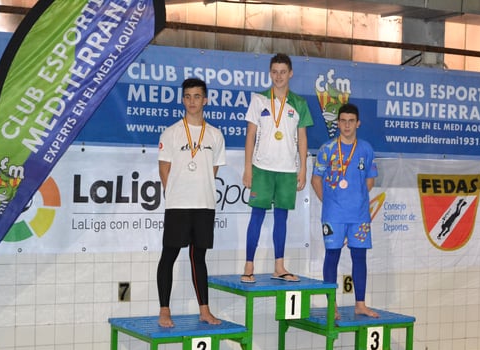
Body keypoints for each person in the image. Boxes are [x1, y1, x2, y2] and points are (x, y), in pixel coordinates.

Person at [156, 78, 226, 327]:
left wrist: (199, 189)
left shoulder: (215, 135)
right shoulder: (171, 132)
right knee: (169, 255)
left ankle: (204, 310)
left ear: (205, 100)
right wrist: (176, 193)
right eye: (187, 96)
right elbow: (164, 169)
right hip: (178, 204)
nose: (192, 101)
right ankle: (164, 310)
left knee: (199, 258)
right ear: (183, 100)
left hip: (204, 204)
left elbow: (213, 169)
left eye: (197, 96)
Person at [241, 53, 314, 283]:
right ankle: (248, 265)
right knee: (257, 216)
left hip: (287, 170)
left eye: (283, 72)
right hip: (261, 168)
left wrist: (303, 169)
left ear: (290, 73)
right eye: (275, 72)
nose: (278, 76)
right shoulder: (259, 100)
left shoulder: (299, 103)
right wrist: (247, 168)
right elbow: (250, 135)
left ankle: (279, 266)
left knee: (281, 218)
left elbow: (302, 139)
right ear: (270, 73)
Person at [311, 103, 379, 319]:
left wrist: (356, 199)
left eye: (351, 121)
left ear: (358, 123)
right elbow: (315, 180)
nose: (347, 125)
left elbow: (370, 180)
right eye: (343, 121)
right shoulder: (327, 149)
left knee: (359, 257)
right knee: (332, 256)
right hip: (334, 215)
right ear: (338, 123)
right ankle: (332, 305)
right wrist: (330, 203)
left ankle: (360, 304)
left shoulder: (366, 149)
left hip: (359, 216)